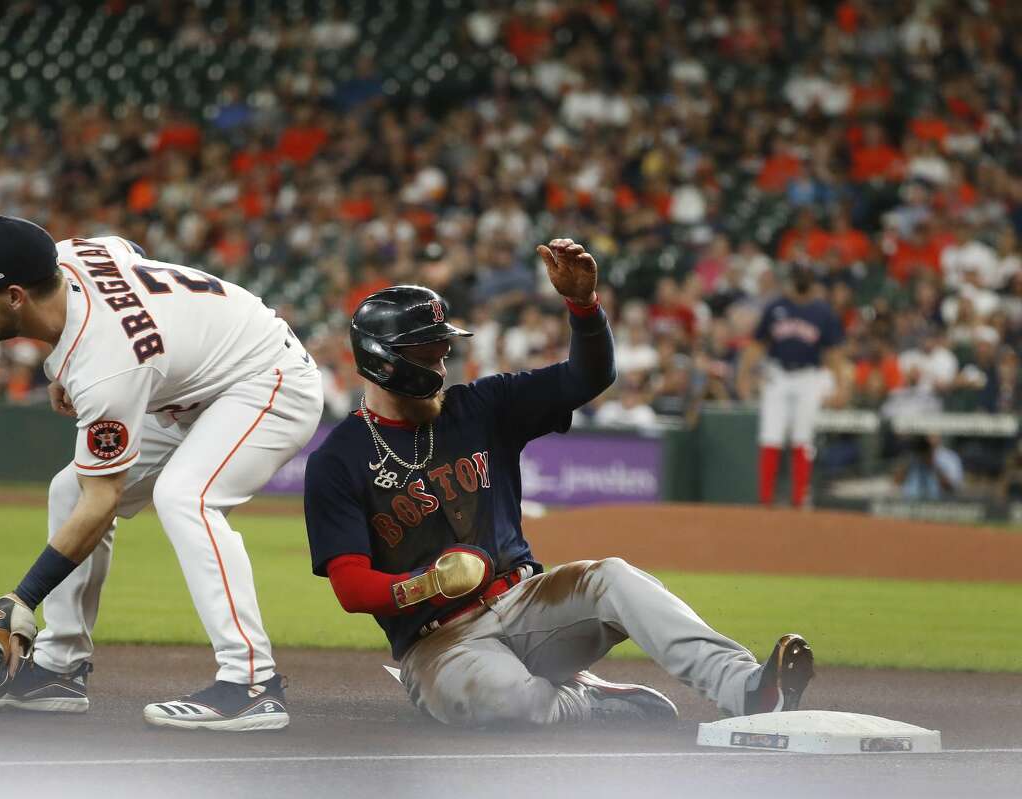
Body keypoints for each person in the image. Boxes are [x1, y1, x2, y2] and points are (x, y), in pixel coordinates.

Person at [302, 238, 814, 728]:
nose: (442, 359)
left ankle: (746, 688)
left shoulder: (482, 407)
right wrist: (427, 583)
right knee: (504, 702)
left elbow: (586, 378)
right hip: (439, 644)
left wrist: (584, 305)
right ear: (384, 357)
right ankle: (588, 702)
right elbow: (351, 586)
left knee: (612, 577)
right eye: (429, 349)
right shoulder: (337, 461)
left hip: (529, 602)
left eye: (443, 346)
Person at [0, 216, 324, 731]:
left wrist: (22, 597)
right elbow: (125, 247)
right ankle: (57, 668)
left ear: (18, 295)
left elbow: (105, 499)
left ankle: (251, 683)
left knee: (187, 497)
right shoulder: (63, 258)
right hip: (190, 389)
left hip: (267, 379)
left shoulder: (107, 367)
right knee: (69, 489)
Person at [737, 264, 849, 507]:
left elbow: (834, 353)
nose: (799, 282)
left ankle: (799, 499)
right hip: (778, 375)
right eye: (797, 277)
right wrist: (743, 375)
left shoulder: (822, 311)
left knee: (802, 437)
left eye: (803, 277)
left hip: (809, 377)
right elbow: (757, 345)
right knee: (770, 436)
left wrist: (841, 385)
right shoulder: (776, 306)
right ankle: (765, 499)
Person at [893, 435, 963, 500]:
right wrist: (907, 463)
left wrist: (933, 465)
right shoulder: (911, 462)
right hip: (910, 502)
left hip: (935, 504)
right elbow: (896, 482)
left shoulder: (945, 460)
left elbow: (952, 488)